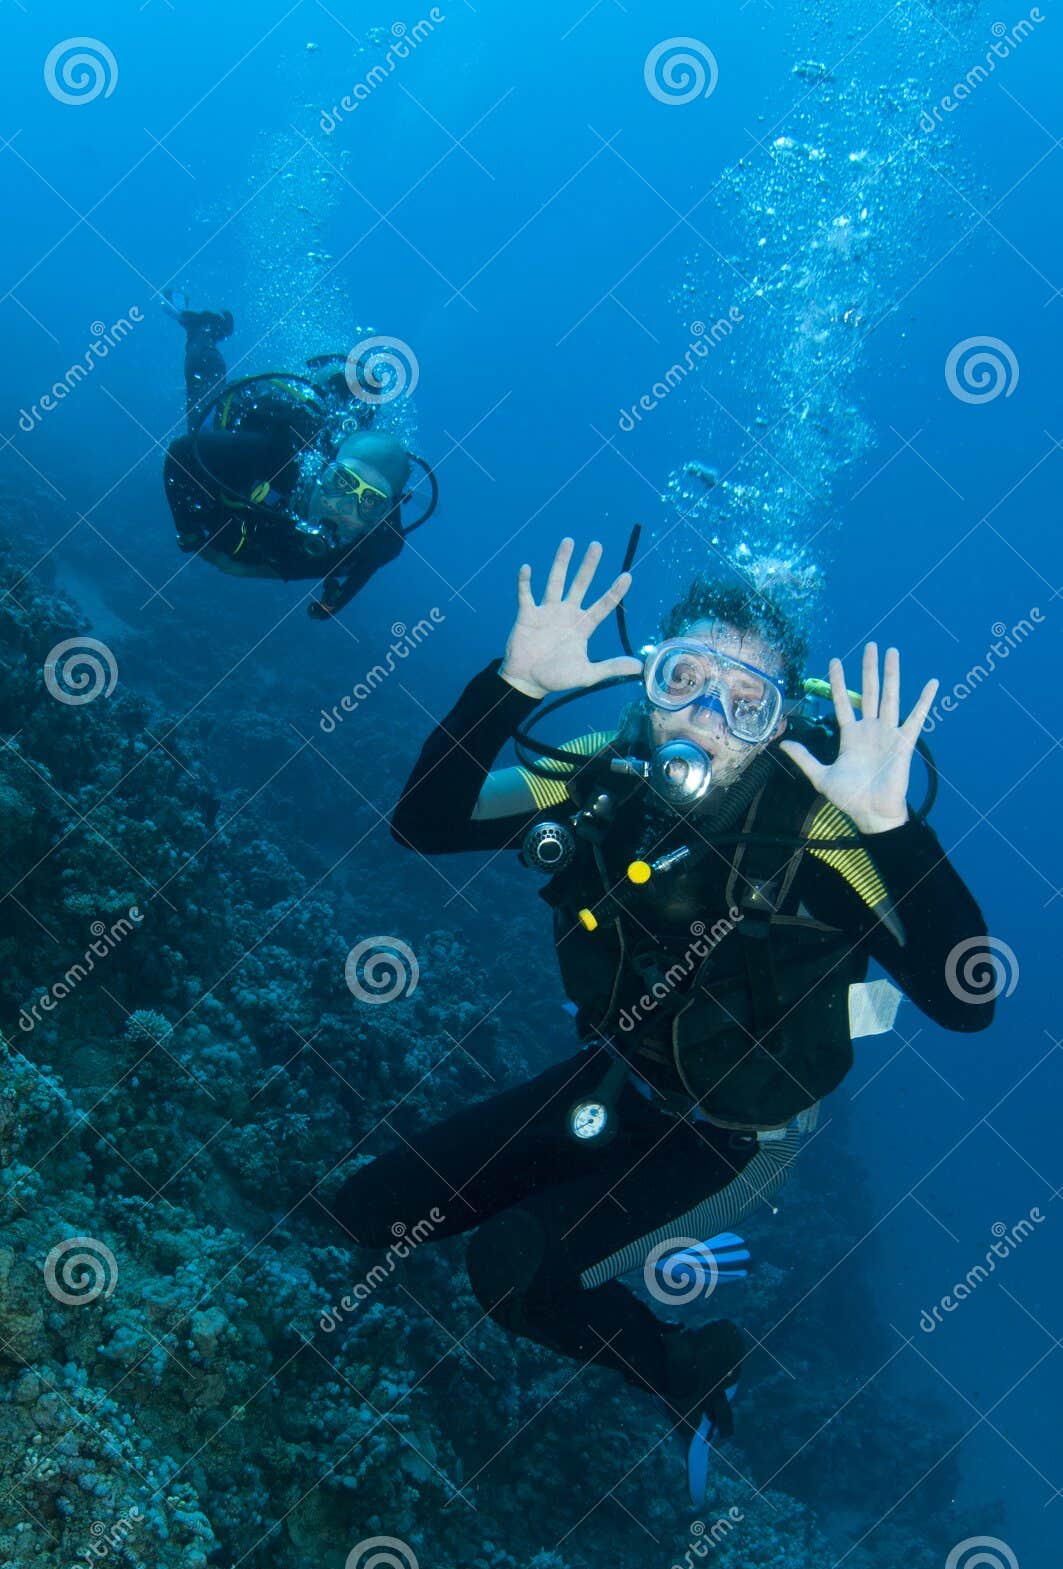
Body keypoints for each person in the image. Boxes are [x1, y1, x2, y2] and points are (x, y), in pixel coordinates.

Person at [329, 537, 993, 1503]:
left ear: (777, 724)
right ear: (648, 682)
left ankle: (687, 1366)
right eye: (685, 678)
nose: (706, 720)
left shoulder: (820, 831)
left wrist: (893, 831)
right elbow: (423, 824)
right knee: (364, 1212)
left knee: (512, 1270)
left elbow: (963, 1001)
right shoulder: (605, 774)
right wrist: (511, 685)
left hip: (734, 1136)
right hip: (614, 1084)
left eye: (746, 702)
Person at [161, 295, 435, 618]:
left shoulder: (383, 541)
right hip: (247, 417)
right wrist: (191, 534)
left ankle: (350, 393)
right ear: (324, 468)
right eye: (342, 481)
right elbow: (180, 455)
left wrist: (332, 602)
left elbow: (361, 570)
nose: (344, 506)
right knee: (203, 398)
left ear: (383, 515)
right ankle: (202, 328)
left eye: (371, 502)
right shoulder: (278, 455)